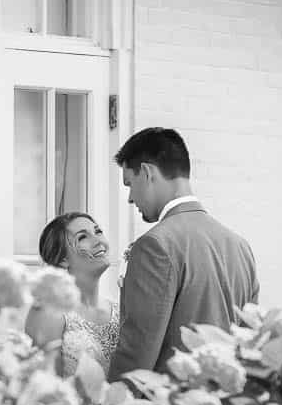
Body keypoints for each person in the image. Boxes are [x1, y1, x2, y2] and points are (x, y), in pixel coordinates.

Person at [108, 127, 259, 381]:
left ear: (146, 172)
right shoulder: (240, 246)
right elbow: (249, 341)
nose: (131, 199)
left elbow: (137, 354)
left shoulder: (155, 245)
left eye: (129, 185)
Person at [25, 212, 120, 377]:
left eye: (98, 232)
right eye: (83, 237)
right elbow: (44, 389)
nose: (99, 241)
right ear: (63, 259)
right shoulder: (48, 312)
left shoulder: (120, 309)